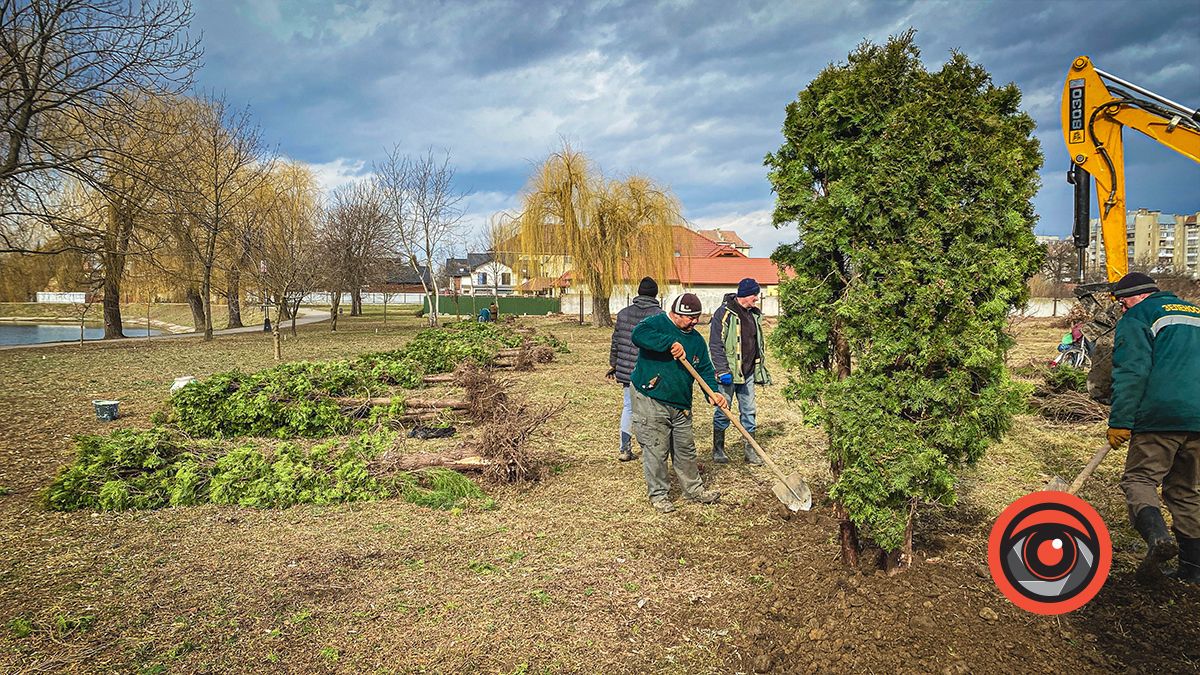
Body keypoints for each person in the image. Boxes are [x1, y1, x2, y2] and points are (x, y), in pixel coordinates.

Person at [1106, 272, 1200, 583]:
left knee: (1139, 479)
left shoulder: (1139, 317)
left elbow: (1131, 372)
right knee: (1187, 491)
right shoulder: (1195, 312)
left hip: (1161, 416)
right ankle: (1192, 571)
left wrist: (1120, 421)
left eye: (1124, 301)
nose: (1122, 307)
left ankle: (1158, 537)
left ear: (1140, 296)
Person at [630, 293, 727, 514]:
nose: (693, 321)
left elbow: (704, 369)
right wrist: (668, 343)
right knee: (656, 449)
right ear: (674, 314)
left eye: (696, 317)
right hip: (651, 398)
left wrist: (712, 393)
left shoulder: (696, 340)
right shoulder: (657, 323)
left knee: (685, 448)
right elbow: (638, 335)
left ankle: (693, 490)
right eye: (689, 317)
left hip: (681, 404)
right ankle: (659, 495)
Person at [709, 277, 772, 465]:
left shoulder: (753, 314)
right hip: (728, 374)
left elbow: (757, 343)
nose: (757, 299)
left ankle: (750, 452)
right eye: (755, 295)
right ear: (746, 295)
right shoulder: (724, 313)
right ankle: (718, 449)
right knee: (723, 411)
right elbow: (715, 344)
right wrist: (722, 370)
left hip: (748, 373)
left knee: (749, 411)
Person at [608, 277, 663, 461]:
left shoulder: (623, 314)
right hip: (648, 371)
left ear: (639, 292)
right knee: (649, 410)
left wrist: (614, 364)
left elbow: (616, 341)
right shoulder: (659, 316)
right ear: (655, 294)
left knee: (629, 407)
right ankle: (649, 449)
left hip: (626, 371)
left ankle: (624, 448)